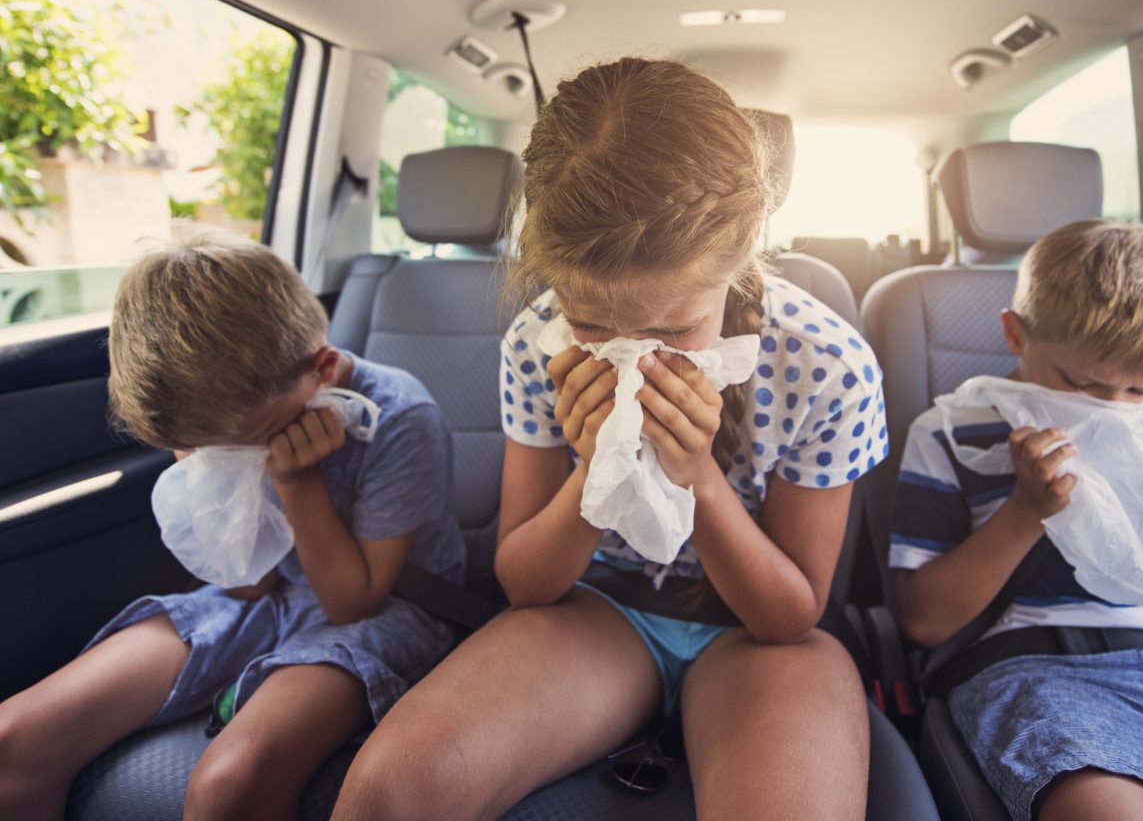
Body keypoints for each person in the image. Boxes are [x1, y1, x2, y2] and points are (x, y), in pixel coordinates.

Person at [332, 58, 888, 821]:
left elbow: (790, 616)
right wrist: (596, 468)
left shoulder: (829, 366)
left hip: (756, 638)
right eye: (593, 326)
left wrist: (698, 476)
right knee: (385, 797)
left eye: (675, 328)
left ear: (747, 246)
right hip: (598, 609)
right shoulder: (537, 342)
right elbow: (526, 582)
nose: (637, 358)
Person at [0, 225, 464, 821]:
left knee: (230, 781)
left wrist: (297, 483)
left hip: (389, 610)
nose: (225, 460)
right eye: (203, 451)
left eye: (242, 444)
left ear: (321, 368)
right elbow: (245, 583)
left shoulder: (400, 417)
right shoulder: (214, 418)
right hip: (262, 596)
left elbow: (354, 603)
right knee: (14, 740)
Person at [890, 219, 1143, 821]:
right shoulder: (949, 433)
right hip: (1038, 672)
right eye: (1083, 385)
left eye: (1141, 389)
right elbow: (923, 622)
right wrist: (1027, 510)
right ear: (1014, 335)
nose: (1111, 408)